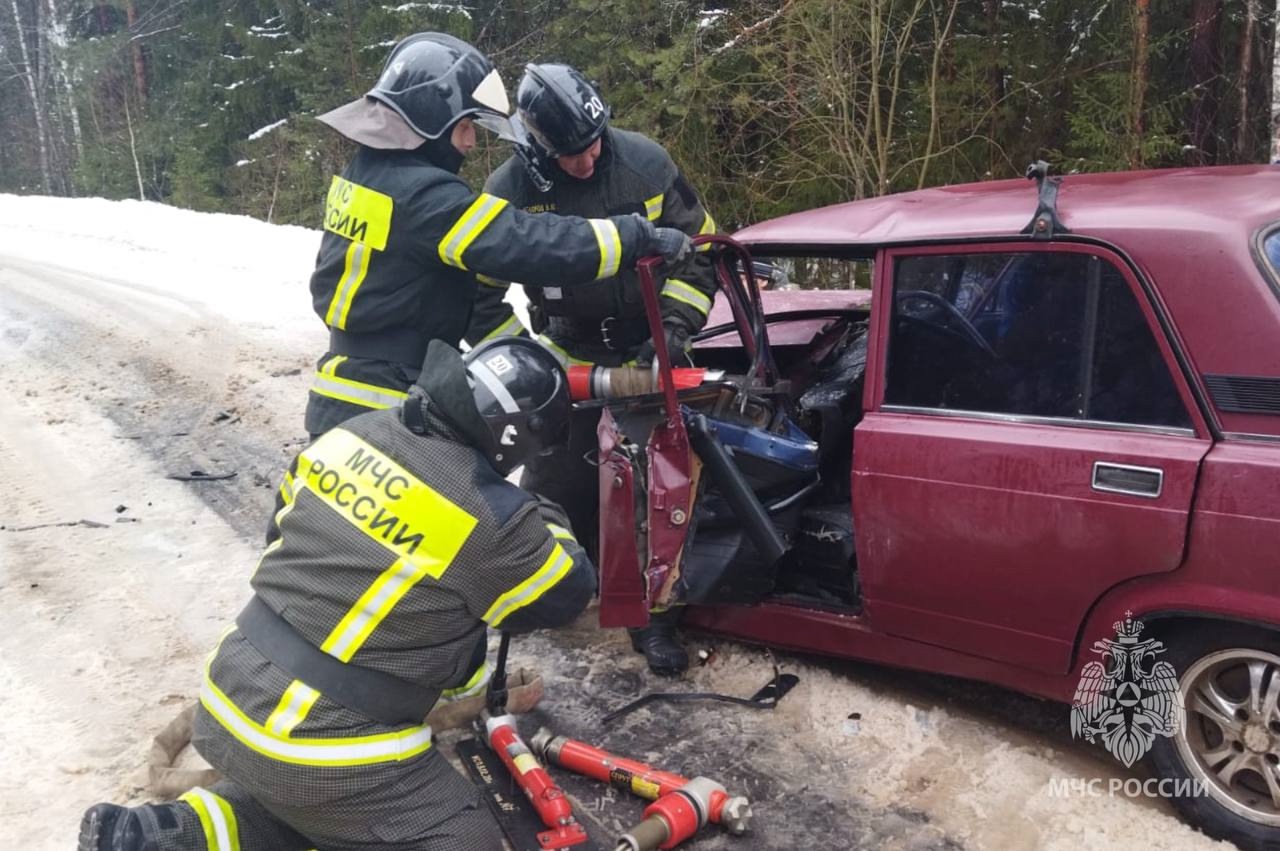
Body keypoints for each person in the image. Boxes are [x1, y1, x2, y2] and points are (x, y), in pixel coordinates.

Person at [79, 337, 594, 851]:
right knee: (462, 836)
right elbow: (566, 593)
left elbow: (279, 537)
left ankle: (165, 835)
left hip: (226, 702)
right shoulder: (497, 518)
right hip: (318, 746)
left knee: (310, 804)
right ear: (516, 437)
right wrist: (545, 511)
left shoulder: (352, 434)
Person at [302, 33, 691, 439]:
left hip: (348, 388)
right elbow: (526, 242)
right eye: (466, 126)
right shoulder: (424, 198)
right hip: (387, 403)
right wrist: (634, 236)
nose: (470, 143)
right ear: (432, 119)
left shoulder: (365, 174)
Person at [464, 63, 719, 676]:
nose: (586, 160)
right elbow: (476, 292)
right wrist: (526, 364)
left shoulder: (644, 165)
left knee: (657, 493)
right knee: (555, 486)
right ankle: (531, 591)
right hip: (564, 356)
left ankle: (652, 620)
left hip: (648, 347)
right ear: (536, 144)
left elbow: (702, 252)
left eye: (593, 144)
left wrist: (673, 332)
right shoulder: (510, 194)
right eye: (570, 154)